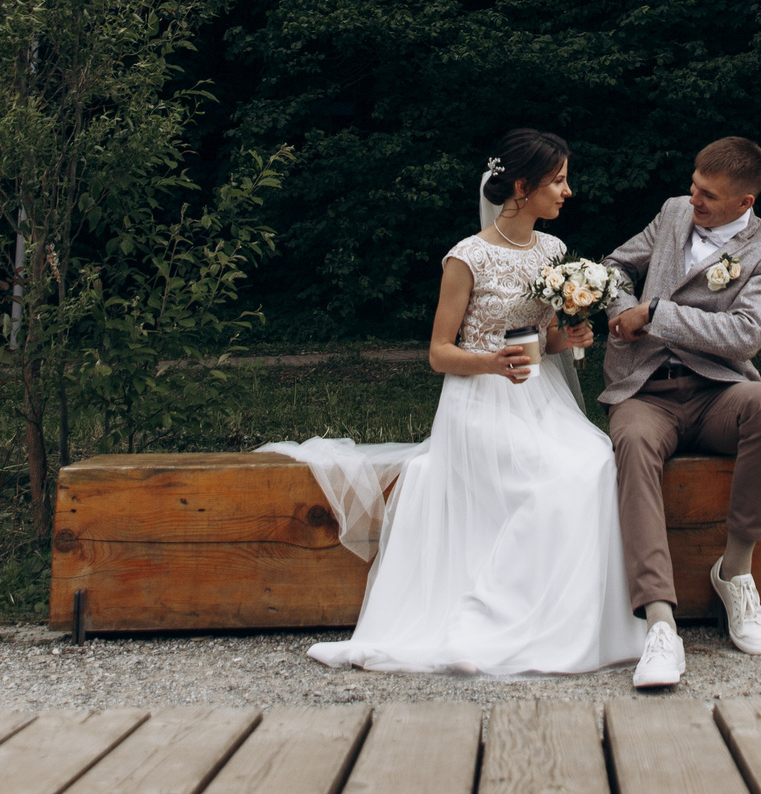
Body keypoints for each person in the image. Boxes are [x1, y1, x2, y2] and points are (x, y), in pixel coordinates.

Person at [261, 129, 646, 676]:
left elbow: (542, 340)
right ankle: (491, 616)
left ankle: (559, 618)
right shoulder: (466, 258)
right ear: (521, 185)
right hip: (480, 404)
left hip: (541, 400)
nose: (568, 191)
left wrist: (569, 338)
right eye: (558, 181)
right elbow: (440, 354)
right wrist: (492, 362)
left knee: (593, 462)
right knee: (550, 479)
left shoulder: (555, 252)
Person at [602, 135, 761, 691]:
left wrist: (658, 313)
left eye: (708, 195)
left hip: (717, 393)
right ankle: (660, 622)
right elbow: (615, 267)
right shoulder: (671, 213)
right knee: (633, 445)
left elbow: (745, 336)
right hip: (645, 392)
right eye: (693, 186)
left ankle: (734, 572)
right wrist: (622, 311)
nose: (694, 201)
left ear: (745, 202)